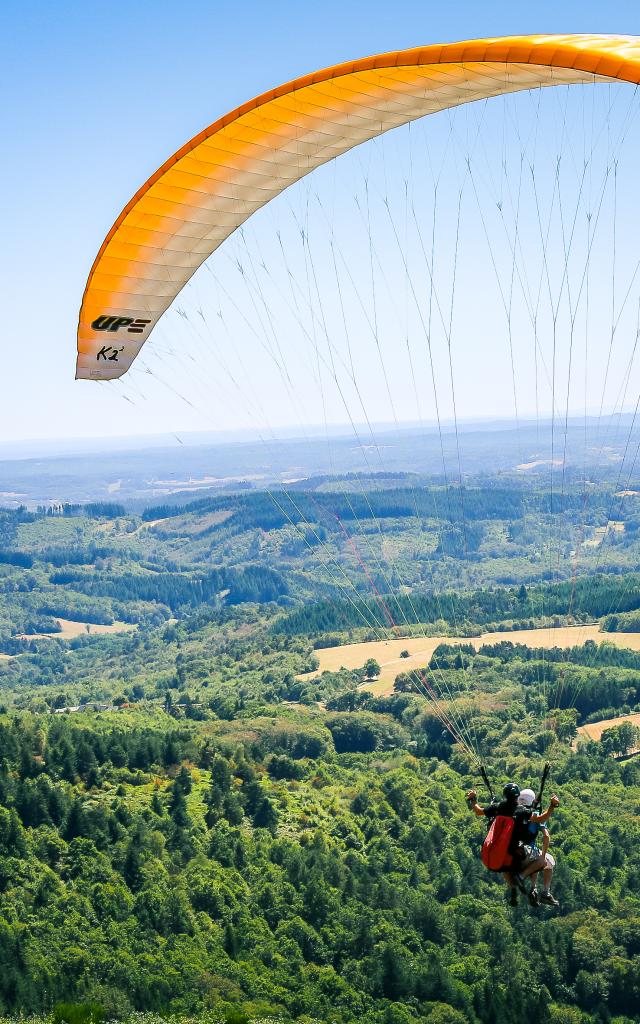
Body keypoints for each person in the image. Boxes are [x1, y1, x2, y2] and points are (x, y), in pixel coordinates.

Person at [466, 782, 560, 907]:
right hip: (520, 853)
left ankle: (513, 888)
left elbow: (478, 811)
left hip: (504, 854)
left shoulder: (498, 807)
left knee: (507, 866)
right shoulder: (522, 811)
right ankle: (526, 881)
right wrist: (552, 806)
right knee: (544, 860)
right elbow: (541, 818)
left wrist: (473, 798)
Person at [516, 788, 559, 907]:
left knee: (536, 856)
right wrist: (543, 856)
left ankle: (534, 887)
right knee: (545, 861)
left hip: (514, 850)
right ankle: (545, 891)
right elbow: (546, 836)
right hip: (527, 851)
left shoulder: (514, 812)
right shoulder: (534, 815)